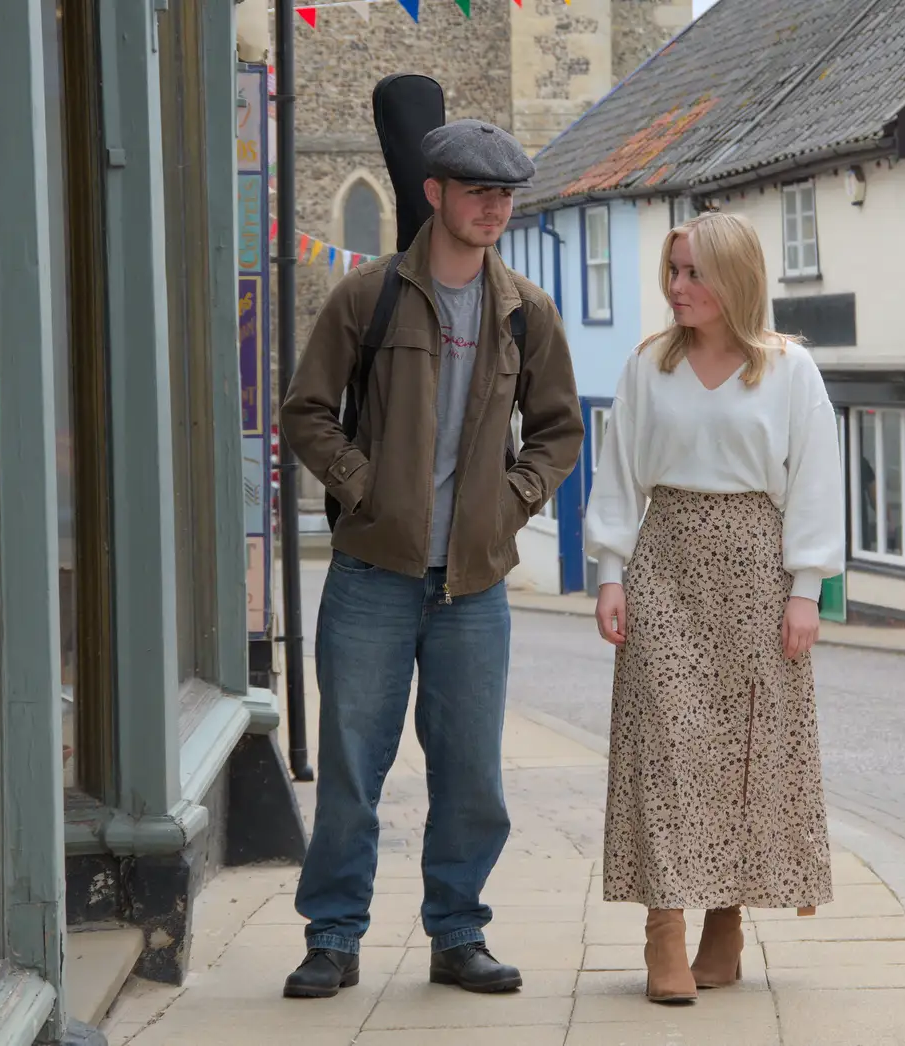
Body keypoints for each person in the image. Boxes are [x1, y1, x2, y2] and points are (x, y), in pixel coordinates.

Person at [279, 119, 583, 999]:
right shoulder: (367, 296)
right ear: (435, 195)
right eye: (478, 192)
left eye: (506, 195)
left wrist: (513, 499)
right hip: (373, 573)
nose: (495, 208)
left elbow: (560, 430)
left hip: (475, 586)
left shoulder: (527, 312)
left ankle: (458, 934)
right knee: (350, 766)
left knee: (472, 776)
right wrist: (362, 485)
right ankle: (332, 936)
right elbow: (307, 411)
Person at [584, 211, 845, 1004]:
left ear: (734, 278)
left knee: (743, 753)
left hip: (758, 574)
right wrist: (609, 571)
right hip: (664, 565)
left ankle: (724, 926)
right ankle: (664, 930)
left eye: (693, 272)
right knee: (663, 749)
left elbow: (815, 483)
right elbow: (620, 473)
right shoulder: (646, 367)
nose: (677, 287)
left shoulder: (790, 370)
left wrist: (806, 591)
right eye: (673, 271)